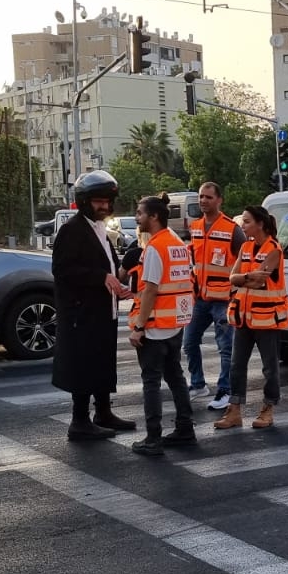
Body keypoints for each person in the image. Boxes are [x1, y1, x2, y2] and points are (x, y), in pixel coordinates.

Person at [50, 170, 135, 441]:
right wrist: (102, 277)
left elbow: (108, 267)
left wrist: (119, 285)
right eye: (98, 201)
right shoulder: (71, 229)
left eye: (107, 201)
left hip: (103, 310)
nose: (105, 207)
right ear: (85, 201)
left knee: (102, 362)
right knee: (84, 365)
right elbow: (63, 270)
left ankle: (103, 412)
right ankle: (80, 420)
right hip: (81, 312)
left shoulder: (101, 229)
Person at [126, 194, 198, 456]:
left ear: (153, 217)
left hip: (156, 325)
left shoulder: (155, 248)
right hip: (175, 323)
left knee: (152, 382)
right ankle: (185, 428)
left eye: (140, 213)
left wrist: (139, 327)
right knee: (176, 377)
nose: (137, 217)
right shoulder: (177, 242)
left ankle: (153, 438)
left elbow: (150, 290)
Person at [213, 205, 288, 431]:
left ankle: (268, 409)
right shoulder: (246, 246)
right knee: (236, 366)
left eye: (246, 222)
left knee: (269, 368)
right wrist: (247, 276)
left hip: (267, 319)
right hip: (244, 319)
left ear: (260, 224)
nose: (242, 225)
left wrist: (244, 278)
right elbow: (233, 278)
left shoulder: (274, 249)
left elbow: (258, 281)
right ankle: (234, 410)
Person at [184, 181, 245, 413]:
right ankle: (198, 384)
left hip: (223, 299)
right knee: (189, 342)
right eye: (201, 197)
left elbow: (245, 258)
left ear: (219, 200)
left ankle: (225, 390)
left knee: (226, 348)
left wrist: (238, 289)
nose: (203, 201)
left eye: (208, 197)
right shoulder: (196, 226)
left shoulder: (231, 229)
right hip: (200, 298)